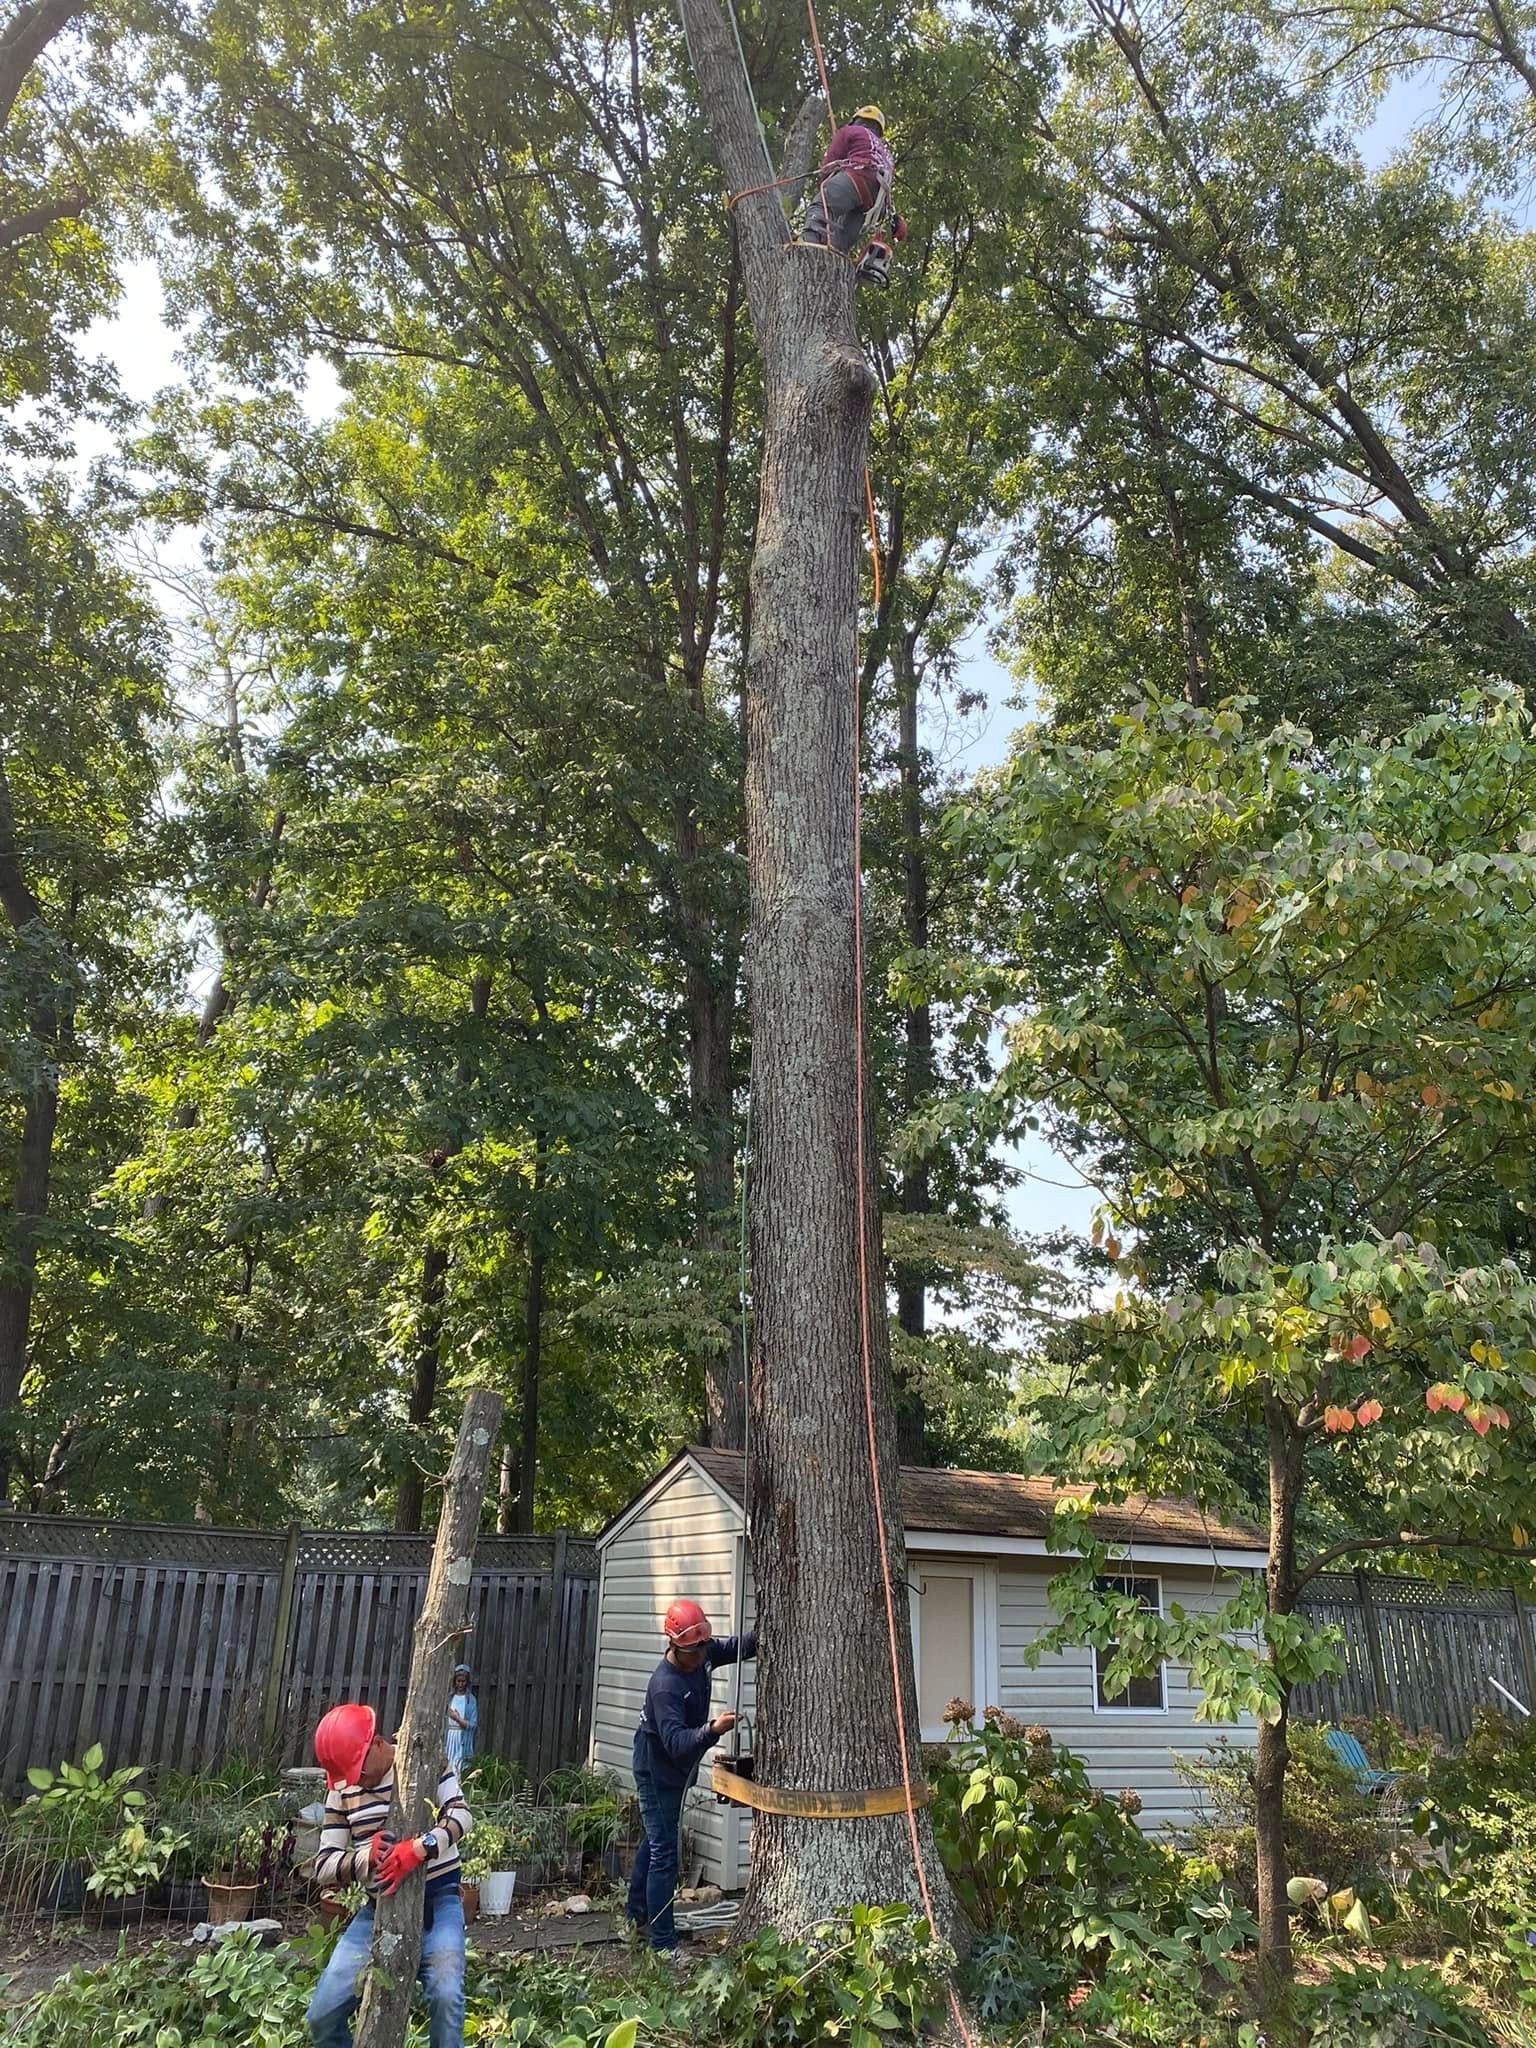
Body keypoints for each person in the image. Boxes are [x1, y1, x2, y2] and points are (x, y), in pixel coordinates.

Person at [306, 1701, 474, 2048]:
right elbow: (323, 1865)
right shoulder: (341, 1789)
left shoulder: (426, 1760)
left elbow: (462, 1816)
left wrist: (420, 1848)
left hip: (439, 1903)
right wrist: (364, 1857)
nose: (357, 1781)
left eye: (359, 1771)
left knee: (447, 1999)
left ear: (378, 1743)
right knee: (322, 2014)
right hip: (377, 1911)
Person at [627, 1598, 756, 1959]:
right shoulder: (665, 1686)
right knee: (664, 1854)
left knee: (655, 1842)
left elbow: (736, 1647)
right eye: (692, 1650)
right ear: (675, 1645)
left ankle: (636, 1918)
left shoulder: (702, 1651)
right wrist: (712, 1730)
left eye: (703, 1646)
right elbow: (676, 1743)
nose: (700, 1655)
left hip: (676, 1772)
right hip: (657, 1772)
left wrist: (764, 1633)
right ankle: (663, 1944)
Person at [799, 104, 908, 287]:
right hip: (876, 202)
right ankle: (834, 265)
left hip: (857, 176)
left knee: (822, 205)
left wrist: (829, 183)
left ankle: (809, 245)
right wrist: (894, 219)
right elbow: (884, 183)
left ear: (858, 120)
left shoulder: (851, 131)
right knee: (841, 240)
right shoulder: (886, 154)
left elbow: (830, 161)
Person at [445, 1664, 477, 1775]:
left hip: (462, 1738)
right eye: (458, 1681)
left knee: (459, 1767)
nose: (460, 1684)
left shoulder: (471, 1700)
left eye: (463, 1681)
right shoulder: (449, 1698)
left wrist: (457, 1718)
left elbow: (472, 1724)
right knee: (447, 1766)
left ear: (467, 1682)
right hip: (449, 1736)